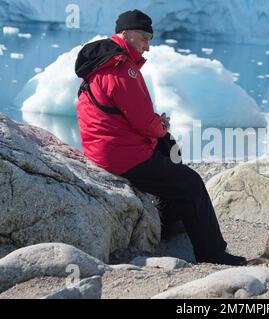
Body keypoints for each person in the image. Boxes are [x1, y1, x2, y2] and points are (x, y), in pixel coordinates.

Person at [75, 9, 246, 266]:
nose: (147, 46)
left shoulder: (107, 64)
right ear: (126, 34)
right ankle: (212, 253)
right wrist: (160, 126)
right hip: (119, 155)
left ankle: (168, 226)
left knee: (169, 151)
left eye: (150, 39)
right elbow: (144, 123)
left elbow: (129, 115)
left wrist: (157, 129)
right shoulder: (121, 70)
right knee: (191, 181)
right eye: (144, 37)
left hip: (106, 147)